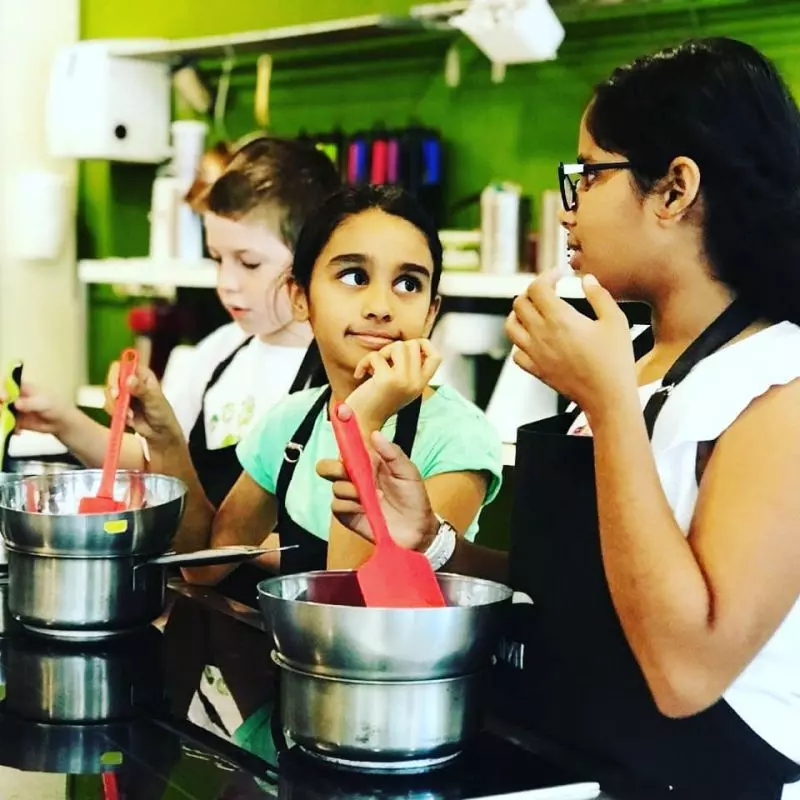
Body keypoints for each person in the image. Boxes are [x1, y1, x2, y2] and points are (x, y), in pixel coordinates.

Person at [319, 38, 800, 800]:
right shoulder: (630, 358)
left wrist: (610, 407)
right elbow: (577, 594)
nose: (568, 208)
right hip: (568, 760)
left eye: (588, 174)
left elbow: (687, 671)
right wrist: (433, 542)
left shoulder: (777, 387)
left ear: (675, 189)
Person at [126, 184, 504, 581]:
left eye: (408, 284)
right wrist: (164, 439)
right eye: (355, 276)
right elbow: (207, 567)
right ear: (300, 297)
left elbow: (353, 600)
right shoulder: (292, 422)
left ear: (430, 313)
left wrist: (361, 419)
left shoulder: (458, 434)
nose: (381, 307)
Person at [6, 136, 339, 509]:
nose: (227, 282)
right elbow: (155, 466)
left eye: (249, 263)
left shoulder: (336, 371)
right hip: (198, 548)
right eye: (217, 259)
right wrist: (61, 421)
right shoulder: (217, 353)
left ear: (313, 256)